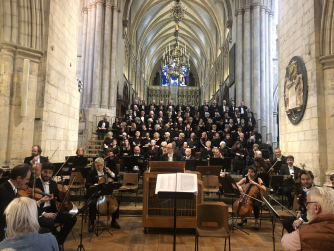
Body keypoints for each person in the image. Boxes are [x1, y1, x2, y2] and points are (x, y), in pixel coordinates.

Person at [30, 162, 77, 250]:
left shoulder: (52, 183)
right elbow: (29, 204)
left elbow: (59, 200)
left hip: (52, 210)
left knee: (72, 219)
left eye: (50, 172)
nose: (47, 175)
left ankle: (57, 242)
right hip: (38, 212)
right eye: (45, 172)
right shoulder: (33, 183)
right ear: (41, 171)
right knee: (49, 222)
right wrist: (43, 213)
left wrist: (64, 192)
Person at [281, 187, 334, 251]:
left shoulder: (302, 234)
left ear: (316, 208)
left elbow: (285, 241)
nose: (306, 207)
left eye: (308, 203)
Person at [86, 158, 120, 233]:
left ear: (103, 164)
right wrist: (95, 185)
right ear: (95, 165)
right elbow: (87, 183)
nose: (100, 167)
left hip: (107, 193)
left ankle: (114, 221)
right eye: (98, 165)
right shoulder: (91, 173)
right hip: (96, 194)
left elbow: (116, 179)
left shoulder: (107, 171)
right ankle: (92, 223)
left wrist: (111, 173)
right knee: (92, 203)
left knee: (117, 200)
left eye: (101, 165)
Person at [0, 164, 32, 241]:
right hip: (4, 229)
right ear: (19, 178)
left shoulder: (12, 188)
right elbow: (6, 213)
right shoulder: (3, 190)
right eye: (27, 179)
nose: (27, 182)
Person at [282, 170, 316, 234]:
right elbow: (302, 204)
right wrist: (299, 211)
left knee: (295, 224)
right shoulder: (302, 189)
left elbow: (313, 211)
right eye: (303, 179)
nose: (305, 181)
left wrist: (301, 219)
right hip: (304, 214)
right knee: (286, 223)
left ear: (312, 179)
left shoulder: (316, 191)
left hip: (312, 217)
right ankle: (298, 237)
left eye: (308, 179)